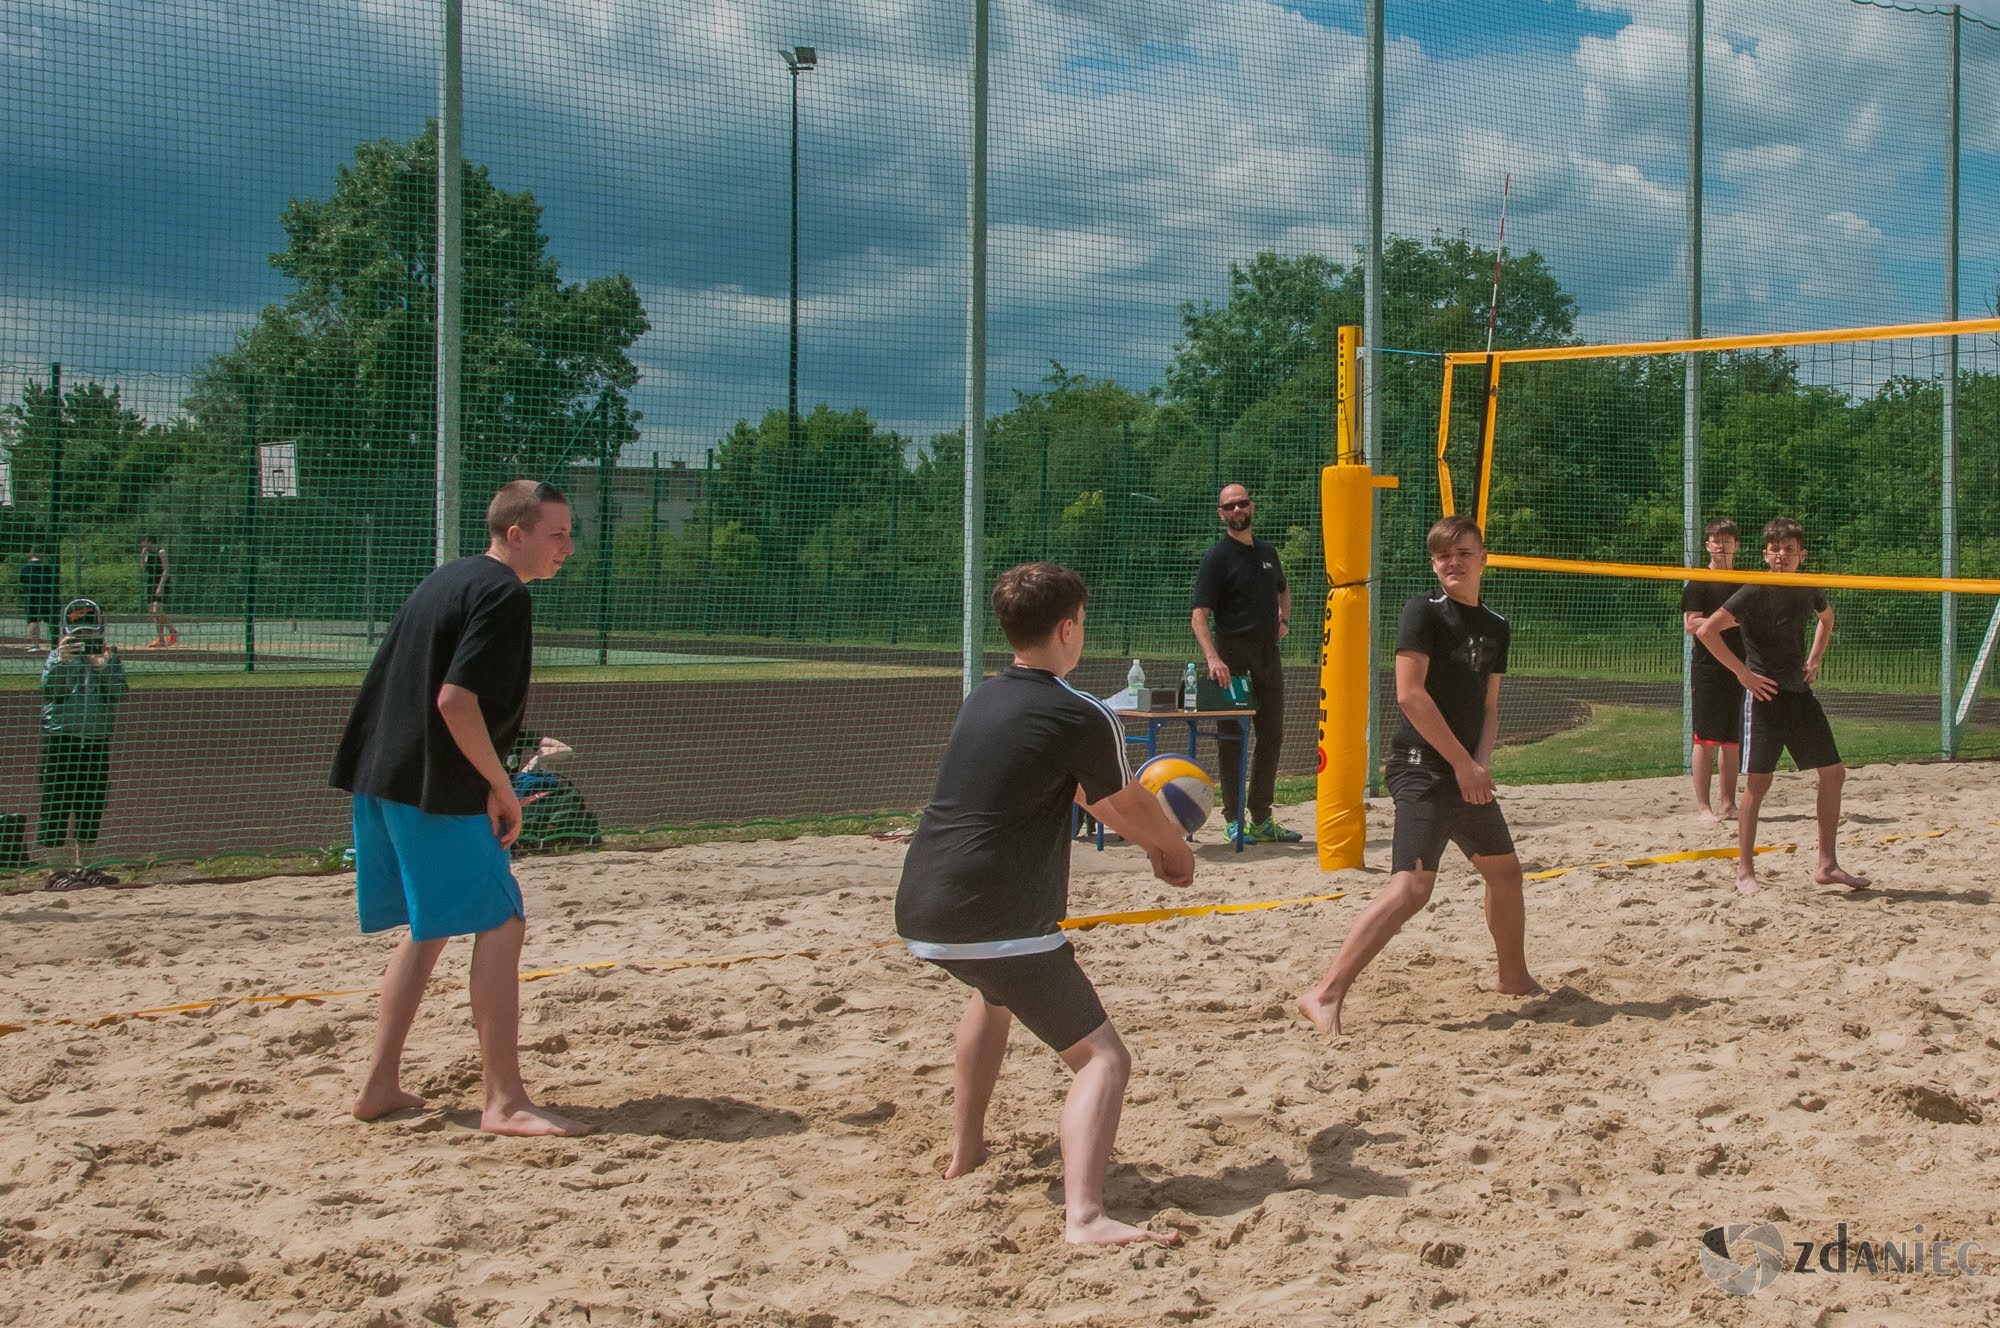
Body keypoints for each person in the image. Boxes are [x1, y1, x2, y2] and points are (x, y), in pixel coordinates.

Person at [897, 561, 1194, 1247]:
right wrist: (1170, 851)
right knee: (1103, 1060)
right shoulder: (1079, 710)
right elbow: (1122, 799)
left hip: (923, 909)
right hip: (996, 917)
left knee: (993, 996)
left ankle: (966, 1151)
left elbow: (1082, 790)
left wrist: (1155, 843)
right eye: (1082, 622)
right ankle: (1085, 1215)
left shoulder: (984, 699)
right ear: (1067, 628)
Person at [329, 479, 591, 1137]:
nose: (567, 547)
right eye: (556, 533)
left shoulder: (448, 579)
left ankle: (378, 1086)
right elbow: (455, 701)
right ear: (515, 533)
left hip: (381, 776)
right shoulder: (503, 594)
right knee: (502, 921)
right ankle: (504, 1101)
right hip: (434, 786)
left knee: (431, 926)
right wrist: (502, 787)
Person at [1297, 516, 1540, 1036]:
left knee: (1505, 873)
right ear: (1434, 563)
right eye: (1442, 555)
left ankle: (1513, 978)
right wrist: (1461, 764)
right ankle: (1324, 993)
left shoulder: (1496, 626)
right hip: (1421, 766)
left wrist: (1480, 764)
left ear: (1483, 558)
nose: (1453, 562)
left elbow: (1490, 706)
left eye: (1463, 552)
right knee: (1412, 888)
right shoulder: (1423, 611)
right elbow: (1411, 695)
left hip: (1464, 769)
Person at [1694, 516, 1871, 896]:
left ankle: (1827, 865)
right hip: (1764, 696)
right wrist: (1744, 674)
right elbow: (1707, 631)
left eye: (1789, 550)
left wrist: (1815, 659)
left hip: (1798, 692)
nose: (1781, 555)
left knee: (1834, 773)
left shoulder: (1808, 588)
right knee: (1758, 785)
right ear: (1765, 554)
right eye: (1775, 549)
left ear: (1801, 555)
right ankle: (1745, 871)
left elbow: (1827, 619)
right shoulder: (1754, 590)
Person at [1190, 482, 1299, 845]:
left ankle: (1262, 817)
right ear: (1221, 514)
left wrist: (1283, 620)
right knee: (1233, 737)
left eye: (1242, 504)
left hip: (1267, 654)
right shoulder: (1217, 558)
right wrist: (1213, 658)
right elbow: (1198, 615)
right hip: (1232, 657)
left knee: (1272, 735)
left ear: (1252, 507)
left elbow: (1282, 588)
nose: (1237, 510)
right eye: (1229, 506)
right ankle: (1233, 819)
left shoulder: (1268, 553)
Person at [39, 599, 128, 890]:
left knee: (90, 805)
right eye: (79, 636)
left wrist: (102, 668)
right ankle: (56, 872)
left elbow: (117, 694)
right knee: (56, 804)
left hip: (95, 741)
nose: (85, 641)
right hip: (61, 739)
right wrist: (63, 662)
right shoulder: (56, 656)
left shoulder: (109, 658)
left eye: (90, 635)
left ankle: (86, 867)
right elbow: (50, 690)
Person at [1681, 517, 1746, 821]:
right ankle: (1704, 807)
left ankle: (1728, 804)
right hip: (1708, 667)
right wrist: (1724, 622)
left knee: (1731, 740)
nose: (1722, 546)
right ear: (1707, 545)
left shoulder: (1743, 581)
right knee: (1705, 738)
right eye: (1716, 541)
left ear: (1737, 545)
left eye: (1727, 540)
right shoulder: (1699, 580)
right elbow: (1690, 624)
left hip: (1737, 666)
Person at [18, 546, 58, 654]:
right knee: (51, 621)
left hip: (30, 597)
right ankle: (55, 644)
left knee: (33, 621)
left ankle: (35, 644)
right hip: (46, 597)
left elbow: (21, 583)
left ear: (31, 553)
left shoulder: (24, 567)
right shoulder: (47, 567)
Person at [139, 535, 175, 648]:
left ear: (150, 542)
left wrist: (161, 586)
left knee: (156, 610)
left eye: (145, 543)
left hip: (161, 582)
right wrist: (142, 554)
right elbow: (143, 567)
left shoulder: (161, 552)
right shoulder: (148, 554)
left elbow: (166, 569)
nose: (143, 545)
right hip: (151, 583)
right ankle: (161, 639)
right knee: (155, 612)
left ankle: (172, 630)